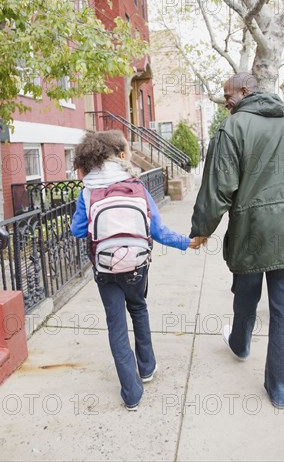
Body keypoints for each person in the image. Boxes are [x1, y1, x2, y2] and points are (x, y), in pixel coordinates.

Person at [190, 73, 284, 409]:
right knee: (282, 311)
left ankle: (240, 344)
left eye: (228, 94)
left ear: (246, 91)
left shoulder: (232, 129)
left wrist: (202, 228)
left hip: (252, 231)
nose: (226, 101)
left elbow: (218, 186)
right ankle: (281, 393)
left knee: (246, 296)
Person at [71, 130, 198, 411]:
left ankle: (131, 393)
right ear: (119, 155)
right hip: (137, 266)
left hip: (105, 270)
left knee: (116, 324)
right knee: (139, 308)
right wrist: (187, 243)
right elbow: (158, 231)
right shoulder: (136, 186)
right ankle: (147, 367)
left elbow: (77, 230)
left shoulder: (88, 190)